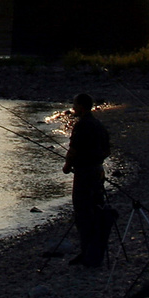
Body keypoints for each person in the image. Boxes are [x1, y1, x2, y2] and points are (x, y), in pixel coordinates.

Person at [62, 92, 112, 267]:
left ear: (81, 107)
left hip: (84, 175)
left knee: (83, 214)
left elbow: (73, 150)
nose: (73, 108)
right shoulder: (98, 124)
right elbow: (107, 150)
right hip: (98, 172)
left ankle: (87, 253)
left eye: (74, 105)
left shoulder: (81, 125)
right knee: (96, 211)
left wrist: (67, 167)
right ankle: (94, 251)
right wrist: (96, 161)